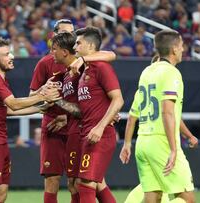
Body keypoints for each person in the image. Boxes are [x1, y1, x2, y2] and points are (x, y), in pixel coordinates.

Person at [29, 19, 117, 203]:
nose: (71, 37)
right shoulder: (53, 67)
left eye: (74, 35)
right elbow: (36, 97)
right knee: (64, 180)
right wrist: (38, 102)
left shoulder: (88, 64)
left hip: (84, 129)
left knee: (88, 181)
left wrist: (107, 113)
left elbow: (111, 55)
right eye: (66, 33)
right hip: (58, 128)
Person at [0, 38, 60, 203]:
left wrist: (40, 108)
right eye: (6, 54)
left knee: (1, 193)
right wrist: (42, 96)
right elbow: (13, 103)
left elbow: (7, 110)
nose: (11, 56)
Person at [124, 30, 196, 203]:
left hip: (143, 141)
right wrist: (173, 149)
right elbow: (167, 112)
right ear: (173, 49)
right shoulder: (171, 73)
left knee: (152, 198)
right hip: (162, 142)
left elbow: (134, 114)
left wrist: (127, 143)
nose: (183, 49)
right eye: (180, 45)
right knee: (187, 199)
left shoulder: (147, 72)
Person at [56, 27, 124, 203]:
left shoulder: (102, 67)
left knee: (86, 184)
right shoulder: (84, 70)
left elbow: (118, 100)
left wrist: (101, 126)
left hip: (99, 135)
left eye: (79, 43)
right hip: (86, 134)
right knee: (92, 183)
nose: (75, 47)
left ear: (91, 45)